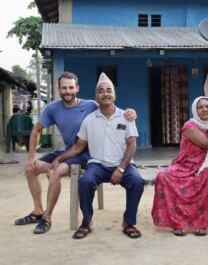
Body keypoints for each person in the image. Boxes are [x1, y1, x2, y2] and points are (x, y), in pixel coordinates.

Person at [14, 71, 136, 234]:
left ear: (77, 88)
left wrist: (131, 112)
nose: (68, 91)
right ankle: (38, 211)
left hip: (85, 155)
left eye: (71, 87)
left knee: (56, 172)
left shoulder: (91, 105)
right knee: (31, 170)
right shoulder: (52, 108)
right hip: (68, 151)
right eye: (64, 88)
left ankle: (47, 218)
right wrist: (30, 158)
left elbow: (110, 106)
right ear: (59, 89)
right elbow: (36, 129)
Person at [51, 72, 144, 239]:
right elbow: (79, 147)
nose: (105, 93)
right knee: (85, 182)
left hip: (123, 164)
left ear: (114, 95)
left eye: (109, 90)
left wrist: (121, 168)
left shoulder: (126, 117)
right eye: (101, 91)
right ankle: (87, 222)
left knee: (137, 182)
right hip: (98, 165)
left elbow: (132, 145)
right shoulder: (89, 119)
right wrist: (60, 158)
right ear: (97, 96)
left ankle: (128, 222)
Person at [151, 96, 208, 236]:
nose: (204, 109)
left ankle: (204, 222)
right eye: (200, 107)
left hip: (207, 164)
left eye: (207, 106)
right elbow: (207, 145)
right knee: (163, 176)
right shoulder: (189, 126)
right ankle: (177, 222)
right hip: (186, 165)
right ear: (194, 111)